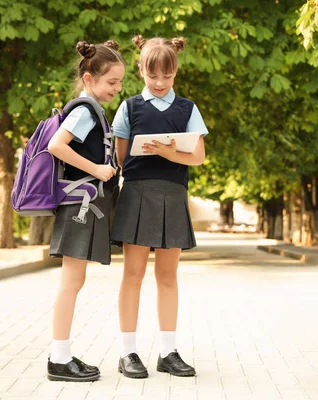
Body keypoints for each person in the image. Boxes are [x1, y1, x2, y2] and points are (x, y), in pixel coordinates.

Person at [110, 34, 208, 378]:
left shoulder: (188, 109)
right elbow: (121, 157)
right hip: (136, 194)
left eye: (167, 76)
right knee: (132, 274)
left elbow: (198, 155)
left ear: (175, 72)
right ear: (141, 71)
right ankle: (128, 353)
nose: (160, 83)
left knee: (167, 276)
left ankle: (168, 352)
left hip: (173, 194)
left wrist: (168, 152)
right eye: (153, 77)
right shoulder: (129, 107)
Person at [46, 40, 125, 382]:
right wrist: (96, 169)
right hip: (78, 205)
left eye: (120, 83)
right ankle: (58, 358)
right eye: (111, 83)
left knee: (73, 280)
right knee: (71, 281)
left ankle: (61, 354)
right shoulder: (83, 111)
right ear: (90, 79)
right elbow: (56, 145)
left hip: (85, 206)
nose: (117, 89)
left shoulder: (92, 110)